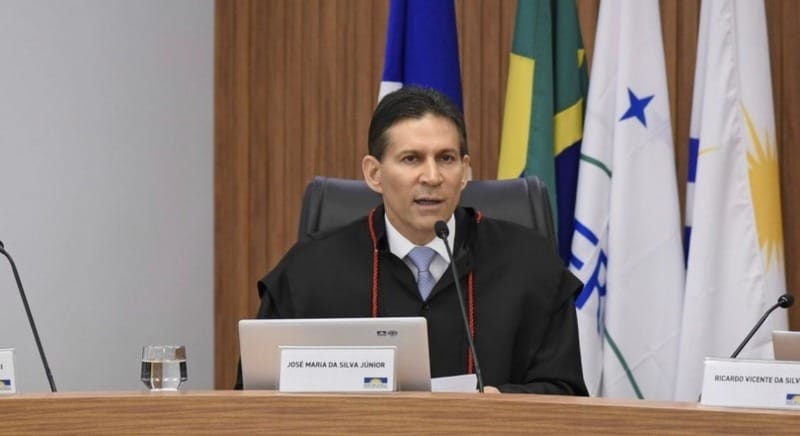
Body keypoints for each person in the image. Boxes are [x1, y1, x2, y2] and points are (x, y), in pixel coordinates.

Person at [240, 87, 588, 395]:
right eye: (411, 159)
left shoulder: (529, 264)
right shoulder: (310, 270)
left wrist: (501, 404)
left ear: (464, 171)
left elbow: (565, 393)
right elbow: (256, 398)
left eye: (446, 159)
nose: (432, 177)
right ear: (374, 174)